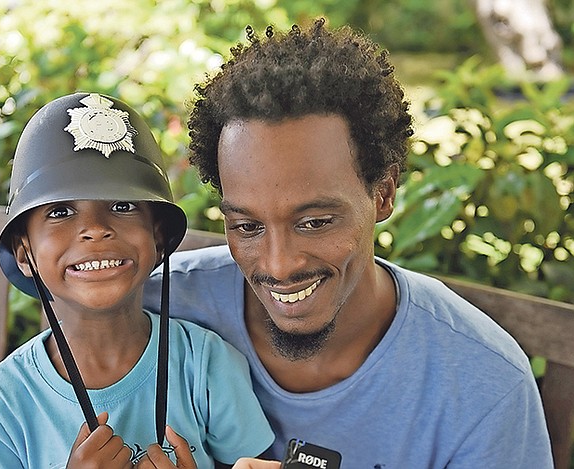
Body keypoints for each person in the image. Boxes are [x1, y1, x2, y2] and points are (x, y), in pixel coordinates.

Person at [144, 19, 554, 467]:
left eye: (315, 222)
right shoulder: (155, 306)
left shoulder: (484, 385)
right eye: (247, 227)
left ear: (383, 193)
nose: (279, 266)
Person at [0, 92, 274, 468]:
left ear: (158, 237)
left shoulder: (204, 365)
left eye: (122, 206)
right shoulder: (1, 404)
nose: (96, 229)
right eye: (60, 211)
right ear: (25, 254)